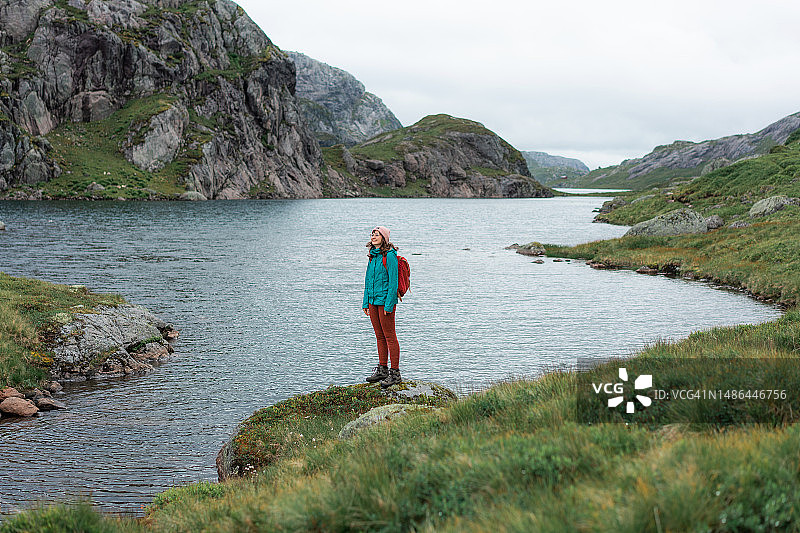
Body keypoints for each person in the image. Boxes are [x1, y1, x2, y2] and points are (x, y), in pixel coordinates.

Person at [362, 225, 402, 388]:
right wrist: (365, 302)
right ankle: (382, 369)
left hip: (385, 302)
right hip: (372, 302)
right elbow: (367, 280)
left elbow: (393, 281)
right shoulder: (373, 255)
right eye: (372, 234)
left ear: (384, 238)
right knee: (379, 336)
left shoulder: (390, 256)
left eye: (377, 234)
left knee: (389, 336)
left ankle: (395, 373)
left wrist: (389, 304)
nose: (373, 236)